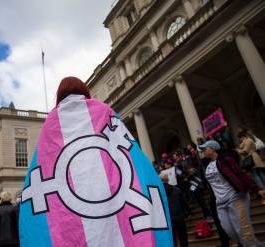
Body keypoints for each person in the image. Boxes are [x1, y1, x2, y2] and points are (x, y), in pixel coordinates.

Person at [19, 77, 173, 246]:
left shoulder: (51, 122)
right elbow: (128, 151)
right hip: (108, 190)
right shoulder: (103, 109)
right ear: (83, 89)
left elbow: (43, 163)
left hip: (71, 200)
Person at [199, 140, 265, 247]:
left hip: (235, 198)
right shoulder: (207, 165)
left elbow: (241, 174)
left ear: (213, 149)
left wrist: (256, 189)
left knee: (243, 230)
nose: (202, 151)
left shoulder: (226, 160)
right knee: (229, 231)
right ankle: (256, 245)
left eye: (204, 149)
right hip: (220, 203)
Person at [160, 173, 188, 247]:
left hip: (168, 219)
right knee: (183, 237)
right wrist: (184, 213)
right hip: (179, 217)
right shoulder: (177, 189)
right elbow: (184, 202)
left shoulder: (159, 193)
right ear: (168, 180)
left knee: (172, 239)